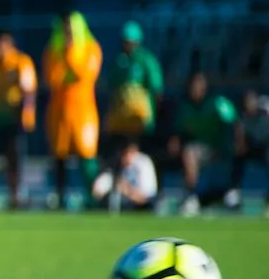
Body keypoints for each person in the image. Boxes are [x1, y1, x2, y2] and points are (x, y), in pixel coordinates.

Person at [43, 11, 102, 210]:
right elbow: (52, 78)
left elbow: (82, 75)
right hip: (59, 111)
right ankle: (60, 196)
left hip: (83, 110)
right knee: (59, 155)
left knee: (86, 154)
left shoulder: (91, 49)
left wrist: (70, 54)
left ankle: (92, 197)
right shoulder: (53, 50)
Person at [171, 72, 239, 215]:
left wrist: (237, 143)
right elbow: (180, 130)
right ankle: (191, 196)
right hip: (202, 149)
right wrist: (175, 141)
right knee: (188, 153)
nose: (195, 89)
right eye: (193, 86)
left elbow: (234, 122)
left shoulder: (217, 103)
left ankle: (231, 193)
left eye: (199, 85)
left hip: (222, 147)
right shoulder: (186, 108)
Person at [0, 32, 37, 210]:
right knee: (3, 158)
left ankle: (18, 195)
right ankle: (9, 194)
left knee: (16, 157)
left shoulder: (21, 62)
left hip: (16, 119)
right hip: (0, 118)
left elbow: (28, 90)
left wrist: (26, 114)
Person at [104, 21, 163, 161]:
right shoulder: (119, 61)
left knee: (144, 156)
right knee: (118, 156)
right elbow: (113, 89)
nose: (128, 45)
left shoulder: (146, 60)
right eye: (125, 41)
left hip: (141, 122)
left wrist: (154, 113)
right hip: (121, 122)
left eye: (130, 41)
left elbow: (157, 89)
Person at [91, 139, 157, 211]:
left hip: (146, 203)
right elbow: (101, 187)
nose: (123, 158)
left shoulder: (143, 163)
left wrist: (126, 189)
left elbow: (146, 196)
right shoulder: (120, 165)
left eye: (126, 154)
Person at [233, 90, 269, 210]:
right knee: (238, 157)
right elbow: (240, 144)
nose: (250, 104)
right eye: (248, 101)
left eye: (253, 101)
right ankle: (234, 193)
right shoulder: (241, 119)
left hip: (264, 150)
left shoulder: (264, 116)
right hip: (249, 150)